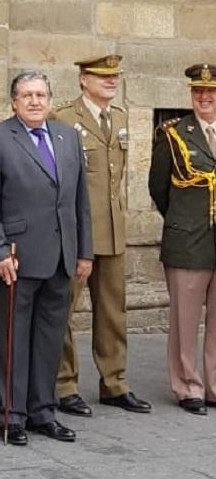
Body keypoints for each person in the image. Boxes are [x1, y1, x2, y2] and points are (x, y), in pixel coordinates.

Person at [0, 70, 93, 446]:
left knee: (49, 340)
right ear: (13, 101)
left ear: (49, 99)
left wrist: (84, 252)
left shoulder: (68, 138)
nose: (34, 101)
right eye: (26, 95)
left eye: (41, 94)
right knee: (13, 340)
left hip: (60, 258)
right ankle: (12, 415)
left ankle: (44, 411)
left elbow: (80, 204)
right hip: (15, 258)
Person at [53, 55, 151, 417]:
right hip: (78, 234)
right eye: (102, 76)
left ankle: (114, 382)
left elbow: (118, 178)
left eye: (115, 76)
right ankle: (64, 385)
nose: (111, 81)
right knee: (64, 310)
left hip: (112, 231)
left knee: (113, 312)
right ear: (83, 79)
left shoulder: (121, 117)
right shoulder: (63, 118)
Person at [149, 63, 216, 416]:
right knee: (185, 319)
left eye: (211, 92)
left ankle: (214, 384)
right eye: (198, 92)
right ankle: (188, 385)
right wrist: (182, 221)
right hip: (188, 241)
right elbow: (158, 188)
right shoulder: (174, 133)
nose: (204, 97)